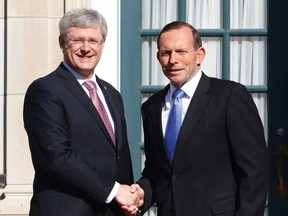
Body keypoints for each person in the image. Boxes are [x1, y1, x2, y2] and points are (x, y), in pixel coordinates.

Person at [134, 21, 270, 216]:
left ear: (200, 55)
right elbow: (160, 172)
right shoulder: (151, 108)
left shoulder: (229, 96)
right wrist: (140, 194)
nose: (173, 60)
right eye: (166, 53)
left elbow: (255, 172)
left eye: (181, 51)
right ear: (158, 57)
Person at [23, 8, 143, 216]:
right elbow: (57, 157)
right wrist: (115, 191)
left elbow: (119, 158)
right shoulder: (45, 90)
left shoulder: (112, 94)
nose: (86, 48)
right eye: (77, 40)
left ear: (102, 44)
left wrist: (129, 196)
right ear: (62, 43)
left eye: (93, 41)